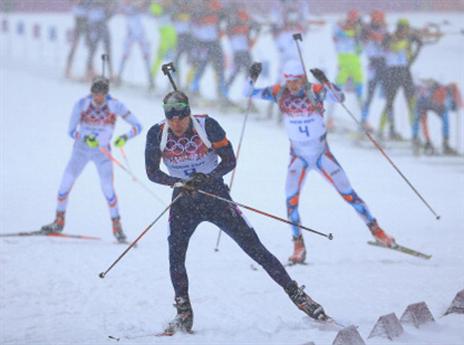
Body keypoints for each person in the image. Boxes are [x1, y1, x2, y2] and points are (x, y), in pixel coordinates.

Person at [145, 90, 329, 335]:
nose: (176, 124)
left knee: (255, 248)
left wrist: (208, 177)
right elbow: (152, 172)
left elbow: (229, 160)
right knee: (176, 255)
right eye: (171, 118)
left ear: (188, 113)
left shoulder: (207, 125)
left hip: (215, 197)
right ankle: (184, 313)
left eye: (180, 117)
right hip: (183, 199)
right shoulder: (157, 133)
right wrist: (176, 183)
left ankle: (298, 296)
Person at [244, 60, 395, 264]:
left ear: (303, 79)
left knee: (349, 194)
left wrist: (325, 81)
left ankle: (377, 230)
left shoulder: (314, 90)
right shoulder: (279, 92)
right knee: (291, 200)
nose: (293, 86)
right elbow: (248, 93)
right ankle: (298, 245)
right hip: (298, 156)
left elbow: (339, 97)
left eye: (297, 81)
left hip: (321, 154)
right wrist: (252, 77)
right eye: (290, 81)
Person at [40, 77, 142, 243]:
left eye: (101, 95)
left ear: (106, 94)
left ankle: (117, 226)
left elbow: (138, 126)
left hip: (102, 152)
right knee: (65, 183)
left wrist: (125, 137)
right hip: (81, 150)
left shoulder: (116, 105)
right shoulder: (81, 104)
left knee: (108, 188)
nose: (98, 99)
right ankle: (58, 221)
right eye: (95, 95)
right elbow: (71, 131)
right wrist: (84, 137)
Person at [378, 18, 422, 140]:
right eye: (404, 29)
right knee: (389, 103)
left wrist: (418, 45)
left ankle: (415, 133)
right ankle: (384, 130)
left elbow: (411, 58)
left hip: (405, 71)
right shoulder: (390, 37)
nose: (406, 32)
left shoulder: (408, 39)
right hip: (392, 72)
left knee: (411, 102)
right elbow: (393, 47)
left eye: (407, 30)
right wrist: (407, 41)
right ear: (399, 28)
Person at [412, 79, 462, 155]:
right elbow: (451, 106)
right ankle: (424, 142)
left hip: (429, 103)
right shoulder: (443, 90)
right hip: (425, 103)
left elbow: (452, 105)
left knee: (442, 118)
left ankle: (428, 143)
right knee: (421, 120)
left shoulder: (443, 90)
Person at [361, 10, 388, 131]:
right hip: (373, 64)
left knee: (388, 97)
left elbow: (385, 41)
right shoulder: (366, 29)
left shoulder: (384, 29)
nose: (380, 20)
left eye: (381, 18)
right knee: (370, 95)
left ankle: (387, 127)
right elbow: (369, 36)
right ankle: (363, 121)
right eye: (378, 17)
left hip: (384, 64)